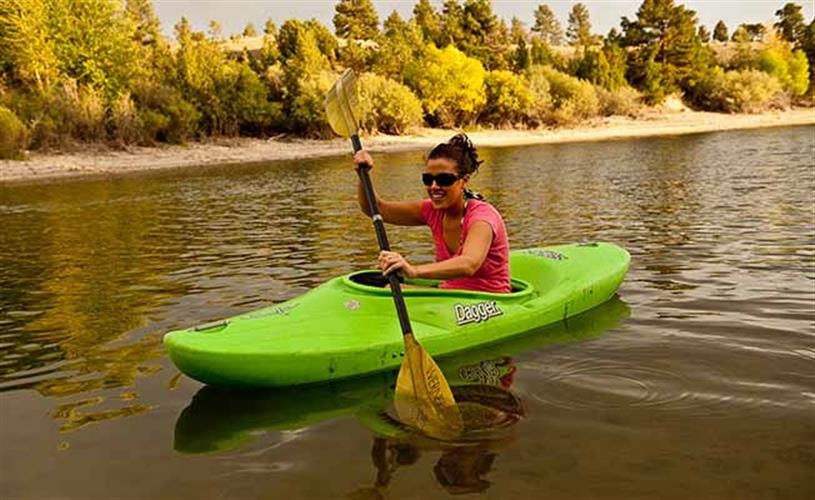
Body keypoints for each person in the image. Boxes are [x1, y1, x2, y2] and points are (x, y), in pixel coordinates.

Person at [353, 133, 511, 294]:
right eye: (428, 179)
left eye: (444, 179)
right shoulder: (432, 211)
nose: (434, 186)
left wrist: (414, 271)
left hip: (487, 303)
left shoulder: (482, 217)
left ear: (464, 181)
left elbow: (469, 264)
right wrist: (363, 174)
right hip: (447, 296)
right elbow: (376, 208)